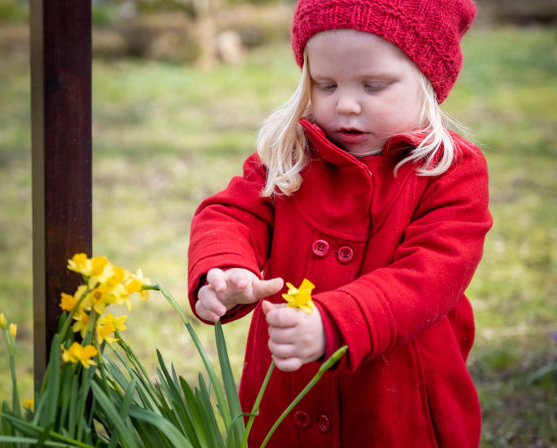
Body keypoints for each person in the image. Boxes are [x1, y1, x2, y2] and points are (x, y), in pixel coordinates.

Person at [187, 0, 492, 446]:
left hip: (398, 412)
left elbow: (429, 277)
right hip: (285, 405)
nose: (346, 104)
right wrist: (225, 268)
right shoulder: (291, 156)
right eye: (325, 84)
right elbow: (232, 213)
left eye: (374, 85)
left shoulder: (448, 173)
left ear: (428, 80)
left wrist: (335, 323)